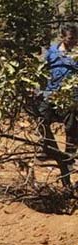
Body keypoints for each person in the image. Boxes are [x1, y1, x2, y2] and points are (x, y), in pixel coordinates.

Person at [38, 23, 78, 167]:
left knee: (72, 125)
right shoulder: (52, 51)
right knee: (41, 117)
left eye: (75, 38)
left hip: (71, 96)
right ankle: (49, 149)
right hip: (51, 93)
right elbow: (41, 69)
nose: (73, 41)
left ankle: (69, 155)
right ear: (62, 37)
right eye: (70, 38)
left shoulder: (76, 54)